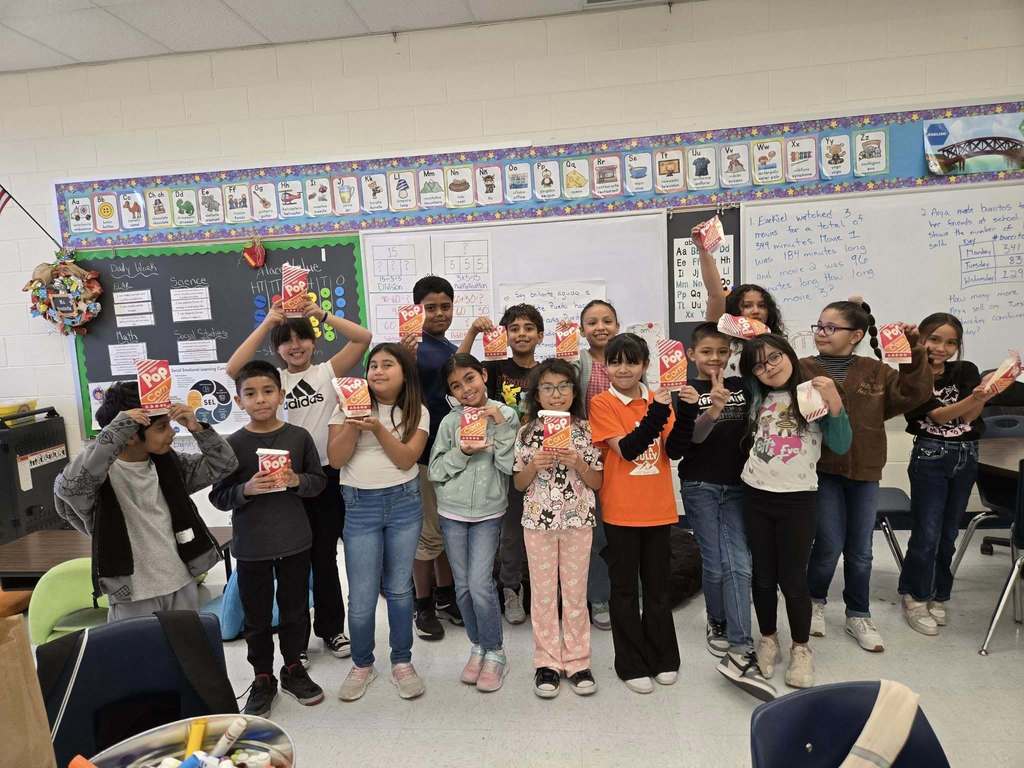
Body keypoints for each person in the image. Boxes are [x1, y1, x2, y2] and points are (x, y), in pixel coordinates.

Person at [226, 295, 371, 665]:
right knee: (294, 564)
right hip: (279, 481)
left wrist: (321, 314)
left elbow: (363, 338)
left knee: (324, 557)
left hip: (323, 476)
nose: (295, 345)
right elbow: (234, 368)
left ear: (314, 341)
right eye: (285, 340)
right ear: (276, 348)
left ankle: (332, 629)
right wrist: (268, 322)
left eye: (302, 337)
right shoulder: (275, 383)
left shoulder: (326, 372)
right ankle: (298, 642)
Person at [800, 300, 932, 653]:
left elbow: (914, 393)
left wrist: (914, 352)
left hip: (865, 469)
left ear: (856, 335)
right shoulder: (803, 368)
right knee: (828, 544)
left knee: (861, 550)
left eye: (831, 328)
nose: (821, 333)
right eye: (819, 326)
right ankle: (814, 600)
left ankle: (858, 613)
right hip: (822, 470)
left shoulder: (877, 371)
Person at [54, 382, 237, 620]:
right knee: (138, 646)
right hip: (132, 595)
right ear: (130, 435)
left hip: (182, 583)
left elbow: (224, 465)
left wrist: (198, 428)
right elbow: (69, 488)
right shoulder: (99, 479)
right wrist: (116, 430)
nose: (172, 432)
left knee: (188, 644)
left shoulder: (169, 465)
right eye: (162, 427)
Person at [209, 361, 326, 716]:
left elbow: (318, 482)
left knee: (295, 610)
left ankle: (293, 668)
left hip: (294, 540)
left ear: (281, 395)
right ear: (238, 400)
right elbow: (219, 496)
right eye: (250, 393)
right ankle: (262, 677)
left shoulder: (298, 437)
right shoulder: (232, 445)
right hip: (252, 546)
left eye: (268, 391)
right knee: (256, 616)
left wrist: (296, 480)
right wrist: (245, 489)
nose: (260, 399)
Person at [740, 334, 851, 690]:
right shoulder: (755, 395)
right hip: (756, 494)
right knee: (762, 575)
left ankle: (801, 648)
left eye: (774, 358)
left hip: (798, 499)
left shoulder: (809, 394)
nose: (769, 368)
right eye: (759, 365)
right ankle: (768, 638)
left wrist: (835, 401)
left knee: (792, 579)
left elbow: (840, 444)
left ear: (789, 354)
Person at [587, 333, 695, 694]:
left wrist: (687, 410)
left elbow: (675, 450)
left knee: (658, 589)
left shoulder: (656, 399)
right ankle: (630, 663)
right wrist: (659, 411)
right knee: (624, 591)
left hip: (659, 510)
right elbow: (629, 450)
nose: (623, 369)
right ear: (605, 366)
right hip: (620, 512)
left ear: (645, 365)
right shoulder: (602, 404)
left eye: (632, 362)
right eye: (615, 362)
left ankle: (664, 657)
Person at [674, 323, 772, 701]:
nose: (714, 358)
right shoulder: (685, 390)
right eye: (706, 352)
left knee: (739, 564)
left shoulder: (742, 387)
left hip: (739, 486)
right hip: (699, 485)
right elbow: (690, 442)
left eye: (721, 351)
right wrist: (712, 408)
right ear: (691, 354)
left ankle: (741, 643)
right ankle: (717, 620)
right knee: (714, 563)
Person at [327, 343, 430, 701]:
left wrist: (377, 428)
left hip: (405, 503)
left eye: (388, 365)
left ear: (404, 374)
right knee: (362, 595)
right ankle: (362, 664)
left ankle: (402, 661)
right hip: (360, 506)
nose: (378, 371)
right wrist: (354, 423)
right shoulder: (344, 407)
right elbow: (336, 460)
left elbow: (406, 460)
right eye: (373, 366)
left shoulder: (417, 411)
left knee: (400, 589)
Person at [899, 313, 996, 635]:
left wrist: (983, 396)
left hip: (966, 454)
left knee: (949, 531)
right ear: (921, 340)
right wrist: (976, 397)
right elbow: (938, 417)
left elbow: (968, 417)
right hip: (930, 454)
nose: (942, 348)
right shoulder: (910, 375)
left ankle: (938, 592)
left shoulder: (964, 370)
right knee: (926, 532)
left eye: (951, 342)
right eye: (935, 339)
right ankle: (915, 596)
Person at [514, 359, 603, 698]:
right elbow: (519, 484)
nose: (556, 394)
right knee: (543, 595)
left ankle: (578, 661)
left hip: (578, 520)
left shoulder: (586, 430)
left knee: (576, 593)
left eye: (564, 386)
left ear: (574, 392)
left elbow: (597, 482)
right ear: (537, 394)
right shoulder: (527, 432)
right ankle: (547, 662)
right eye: (548, 387)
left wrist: (578, 463)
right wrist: (534, 466)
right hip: (538, 522)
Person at [429, 353, 518, 692]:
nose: (466, 389)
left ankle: (495, 651)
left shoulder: (505, 415)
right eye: (456, 386)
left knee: (480, 585)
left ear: (483, 375)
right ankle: (478, 645)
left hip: (488, 513)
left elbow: (509, 467)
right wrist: (463, 452)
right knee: (463, 587)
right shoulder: (450, 422)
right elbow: (435, 471)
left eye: (470, 378)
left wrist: (500, 426)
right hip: (451, 513)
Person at [460, 303, 545, 625]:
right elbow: (458, 369)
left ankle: (543, 589)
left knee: (543, 528)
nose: (521, 334)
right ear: (504, 335)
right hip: (504, 462)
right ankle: (511, 588)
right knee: (510, 533)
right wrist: (473, 332)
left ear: (540, 335)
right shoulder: (494, 368)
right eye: (514, 328)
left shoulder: (547, 371)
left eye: (528, 328)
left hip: (542, 461)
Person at [402, 275, 461, 640]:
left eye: (445, 306)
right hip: (423, 451)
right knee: (427, 533)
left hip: (451, 450)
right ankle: (421, 604)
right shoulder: (408, 348)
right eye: (430, 307)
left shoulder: (447, 346)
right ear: (416, 310)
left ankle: (444, 595)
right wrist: (405, 358)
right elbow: (399, 391)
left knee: (442, 528)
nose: (439, 313)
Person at [575, 298, 620, 631]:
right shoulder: (577, 362)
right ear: (582, 330)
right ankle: (600, 596)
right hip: (589, 457)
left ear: (617, 326)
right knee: (594, 531)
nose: (600, 327)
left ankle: (626, 590)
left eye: (607, 321)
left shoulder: (629, 358)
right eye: (592, 322)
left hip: (623, 457)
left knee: (625, 528)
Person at [694, 222, 786, 375]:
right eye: (747, 305)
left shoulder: (778, 345)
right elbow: (716, 294)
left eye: (762, 306)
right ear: (735, 310)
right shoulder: (724, 338)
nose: (756, 311)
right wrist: (703, 250)